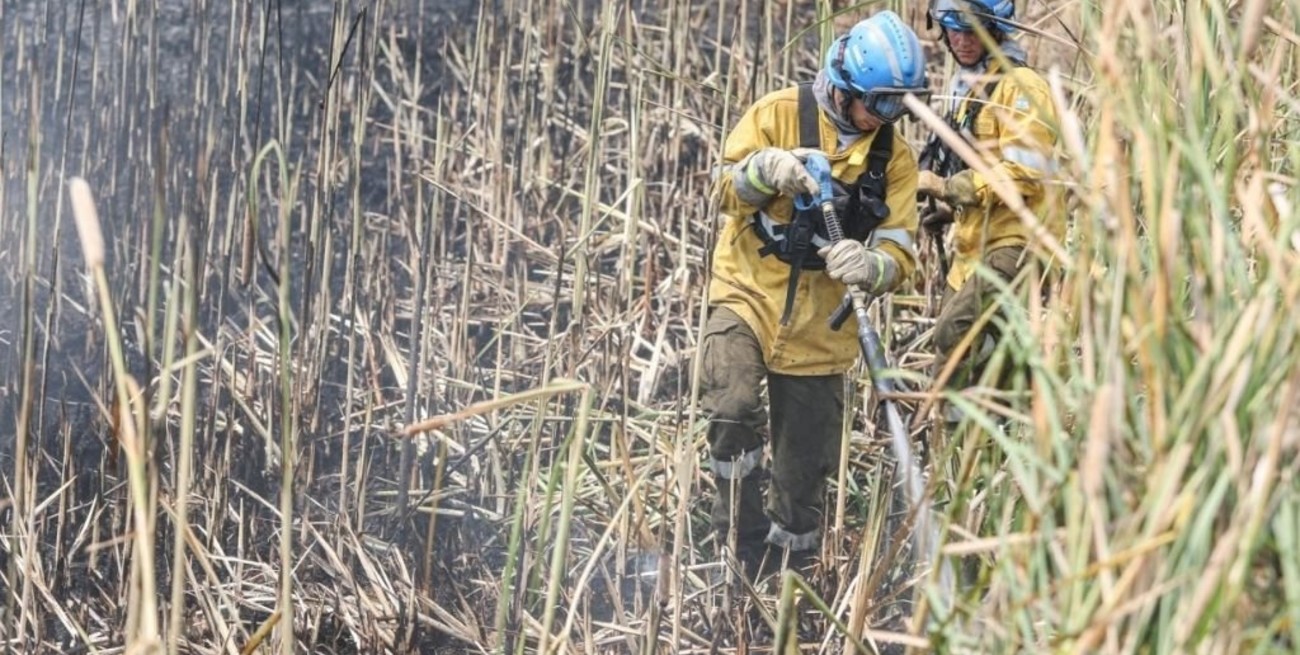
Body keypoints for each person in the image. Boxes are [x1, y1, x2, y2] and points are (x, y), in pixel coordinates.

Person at [699, 10, 928, 575]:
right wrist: (762, 169)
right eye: (879, 104)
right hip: (748, 294)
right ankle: (735, 538)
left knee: (802, 484)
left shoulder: (893, 160)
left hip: (822, 331)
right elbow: (721, 194)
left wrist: (872, 265)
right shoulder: (778, 114)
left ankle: (785, 582)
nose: (887, 117)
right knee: (731, 408)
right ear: (844, 86)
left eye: (899, 105)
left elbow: (902, 254)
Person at [916, 0, 1065, 426]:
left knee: (955, 333)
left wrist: (950, 187)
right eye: (952, 29)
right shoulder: (972, 86)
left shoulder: (1021, 87)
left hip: (1021, 242)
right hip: (975, 244)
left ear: (994, 30)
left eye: (971, 31)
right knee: (951, 363)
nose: (961, 41)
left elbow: (1027, 172)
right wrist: (950, 210)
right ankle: (961, 464)